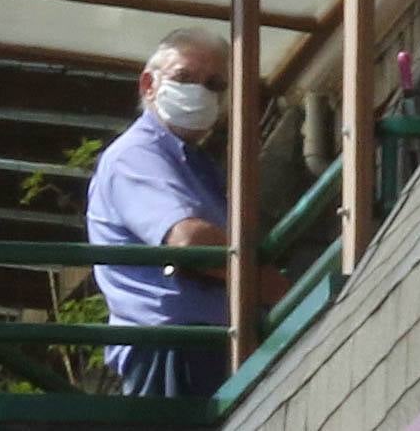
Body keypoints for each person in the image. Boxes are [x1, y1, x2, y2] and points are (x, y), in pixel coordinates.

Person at [87, 27, 279, 397]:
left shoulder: (197, 166)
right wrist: (277, 288)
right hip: (174, 349)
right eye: (184, 77)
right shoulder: (135, 155)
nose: (198, 91)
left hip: (210, 344)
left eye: (214, 84)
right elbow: (190, 241)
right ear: (148, 84)